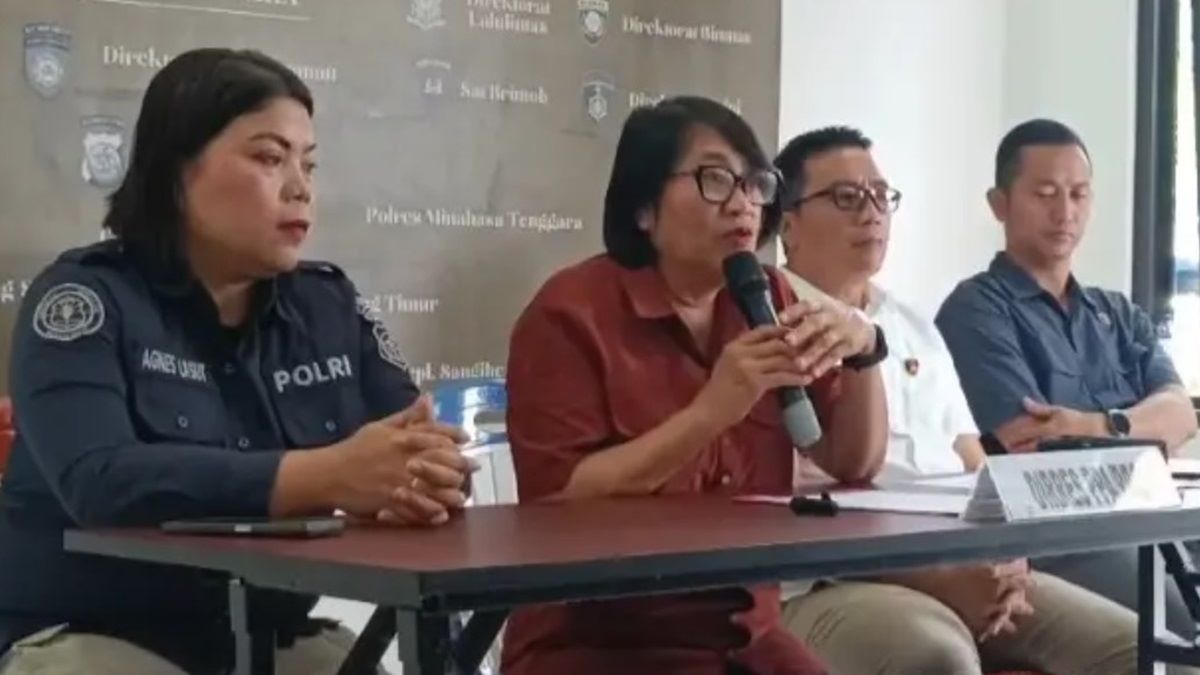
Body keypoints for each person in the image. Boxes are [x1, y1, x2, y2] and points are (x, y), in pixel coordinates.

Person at [0, 49, 475, 675]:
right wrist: (327, 475)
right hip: (94, 632)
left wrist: (428, 478)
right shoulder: (83, 301)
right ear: (176, 171)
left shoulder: (328, 305)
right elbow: (101, 481)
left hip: (269, 635)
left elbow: (413, 450)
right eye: (270, 159)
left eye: (308, 164)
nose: (300, 187)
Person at [501, 97, 890, 675]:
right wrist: (710, 413)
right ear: (644, 209)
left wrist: (866, 349)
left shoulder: (767, 296)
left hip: (748, 633)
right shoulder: (569, 314)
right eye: (714, 180)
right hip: (605, 642)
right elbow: (558, 502)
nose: (742, 203)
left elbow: (849, 461)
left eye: (754, 183)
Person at [770, 125, 1177, 675]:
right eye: (846, 197)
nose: (872, 213)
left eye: (881, 196)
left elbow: (974, 463)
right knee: (938, 659)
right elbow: (789, 501)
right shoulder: (769, 323)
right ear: (787, 223)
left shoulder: (911, 324)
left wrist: (1006, 557)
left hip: (959, 557)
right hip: (841, 576)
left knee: (1143, 650)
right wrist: (938, 573)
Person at [936, 119, 1199, 636]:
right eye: (1045, 194)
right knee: (1181, 623)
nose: (1065, 212)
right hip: (1063, 537)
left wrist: (1096, 425)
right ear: (999, 204)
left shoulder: (1117, 312)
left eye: (1078, 194)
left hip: (1157, 512)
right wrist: (1140, 431)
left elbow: (1180, 414)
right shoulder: (976, 310)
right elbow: (1035, 447)